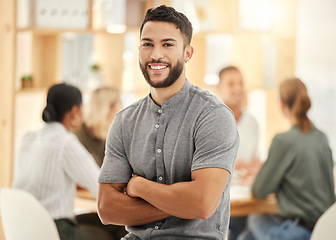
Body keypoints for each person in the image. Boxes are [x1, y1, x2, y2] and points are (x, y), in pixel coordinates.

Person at [97, 5, 239, 240]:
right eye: (147, 44)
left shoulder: (213, 116)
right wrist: (181, 203)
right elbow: (106, 208)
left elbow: (202, 204)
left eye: (168, 44)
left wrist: (139, 187)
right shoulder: (124, 121)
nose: (156, 55)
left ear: (188, 53)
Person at [12, 83, 116, 240]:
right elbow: (100, 186)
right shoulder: (65, 143)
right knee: (118, 227)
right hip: (56, 230)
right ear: (75, 111)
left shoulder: (27, 138)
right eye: (82, 107)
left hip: (23, 227)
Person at [238, 78, 336, 240]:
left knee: (254, 218)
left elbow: (259, 190)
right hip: (324, 230)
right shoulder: (322, 137)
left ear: (282, 104)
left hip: (298, 232)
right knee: (247, 237)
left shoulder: (283, 140)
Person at [217, 66, 261, 240]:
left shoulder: (252, 122)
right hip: (221, 198)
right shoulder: (211, 122)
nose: (238, 89)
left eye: (241, 83)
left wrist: (256, 166)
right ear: (219, 89)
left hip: (247, 196)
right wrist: (232, 164)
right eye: (231, 84)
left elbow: (255, 158)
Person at [75, 87, 123, 167]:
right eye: (120, 104)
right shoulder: (78, 134)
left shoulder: (112, 136)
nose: (123, 109)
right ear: (107, 108)